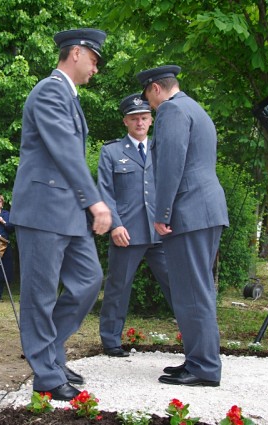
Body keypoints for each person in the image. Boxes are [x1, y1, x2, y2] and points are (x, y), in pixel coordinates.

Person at [10, 28, 112, 401]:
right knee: (40, 295)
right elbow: (66, 151)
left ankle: (50, 351)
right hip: (43, 211)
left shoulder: (67, 96)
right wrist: (95, 202)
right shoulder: (50, 91)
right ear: (76, 53)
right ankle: (46, 375)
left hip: (68, 213)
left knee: (88, 280)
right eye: (94, 60)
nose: (95, 69)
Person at [135, 64, 229, 387]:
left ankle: (203, 366)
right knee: (196, 288)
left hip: (188, 212)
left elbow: (171, 165)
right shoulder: (195, 109)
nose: (149, 105)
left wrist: (162, 213)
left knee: (192, 290)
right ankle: (198, 359)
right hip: (203, 210)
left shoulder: (172, 111)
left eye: (148, 97)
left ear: (156, 88)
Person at [97, 93, 172, 358]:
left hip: (161, 232)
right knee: (118, 287)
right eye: (134, 118)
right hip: (126, 232)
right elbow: (105, 192)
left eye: (144, 117)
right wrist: (115, 225)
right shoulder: (111, 151)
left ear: (151, 120)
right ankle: (111, 340)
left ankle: (195, 339)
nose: (139, 123)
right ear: (125, 121)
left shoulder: (162, 149)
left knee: (177, 284)